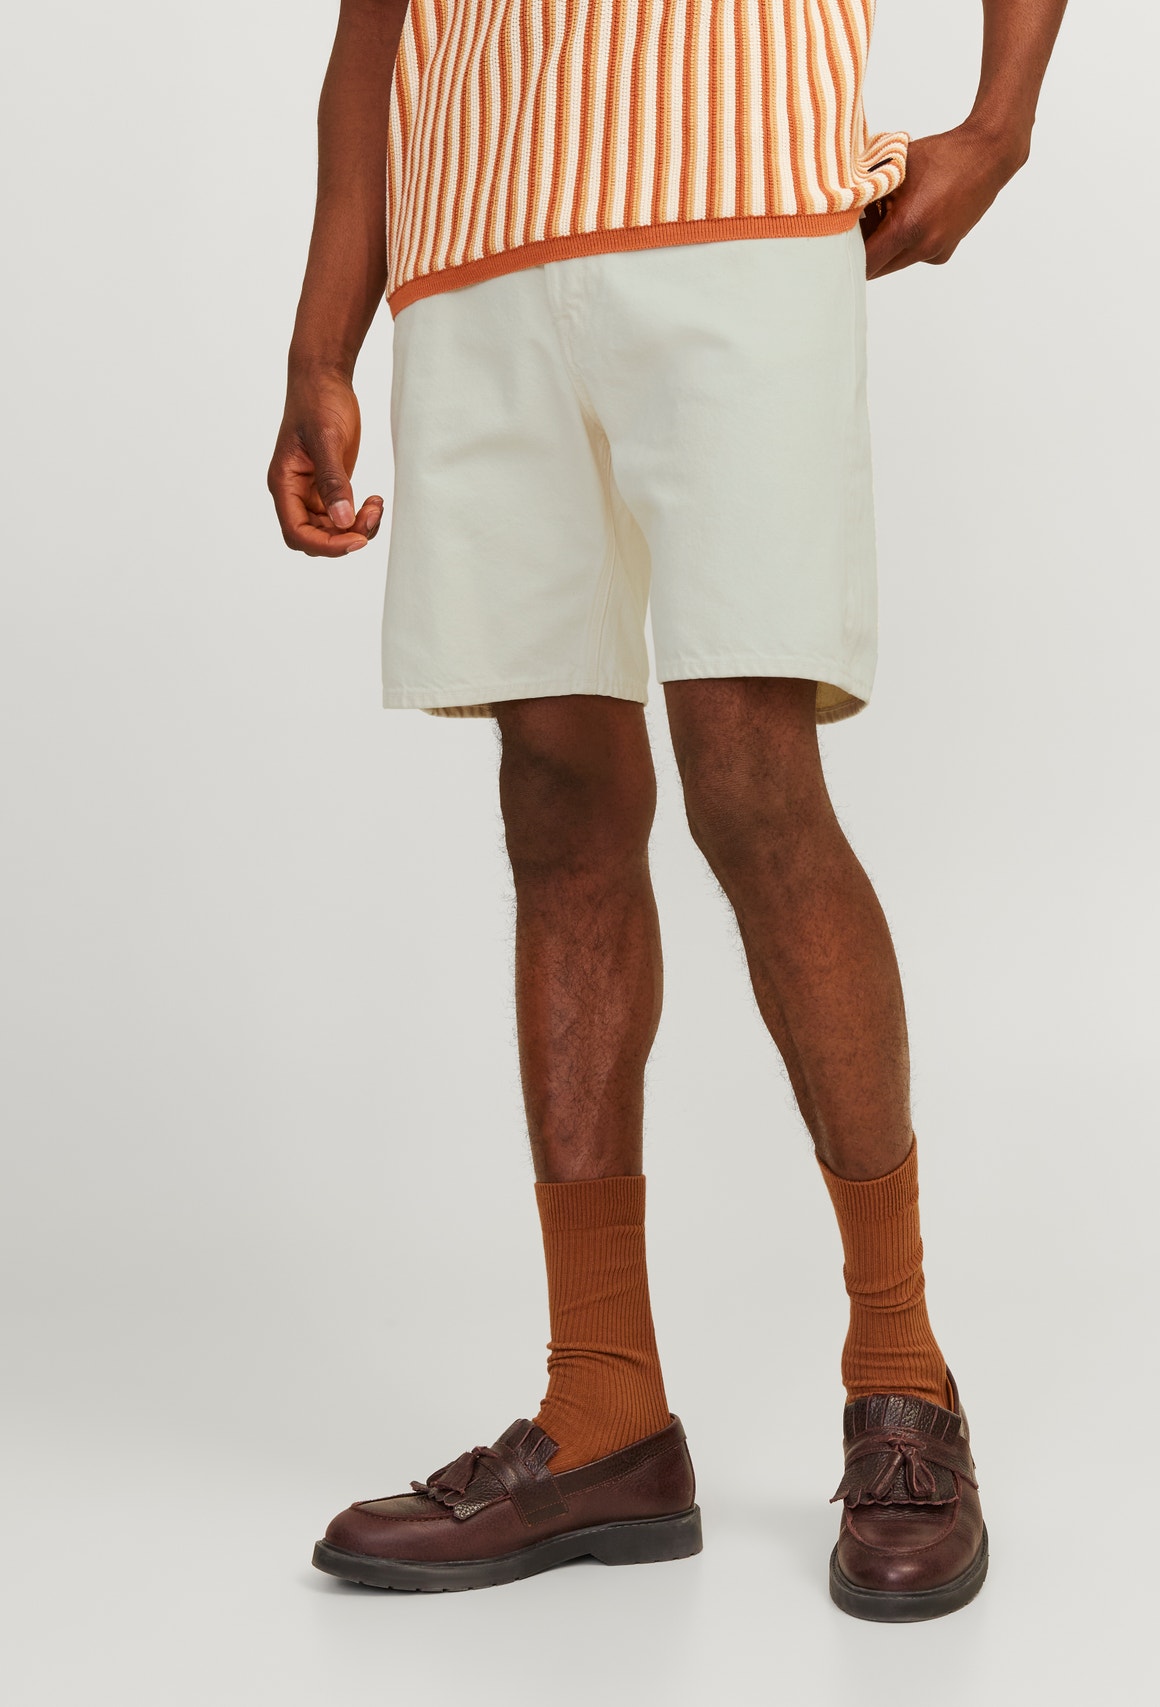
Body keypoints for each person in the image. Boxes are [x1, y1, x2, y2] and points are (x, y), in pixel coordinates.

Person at [270, 0, 1065, 1621]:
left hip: (739, 203)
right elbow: (371, 37)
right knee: (555, 796)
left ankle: (901, 1371)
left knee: (750, 774)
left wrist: (1001, 122)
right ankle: (605, 1407)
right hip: (477, 254)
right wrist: (318, 349)